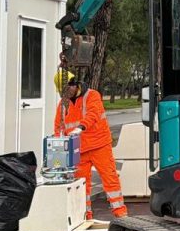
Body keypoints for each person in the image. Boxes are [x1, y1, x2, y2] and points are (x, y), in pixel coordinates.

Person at [54, 78, 128, 220]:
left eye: (67, 89)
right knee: (81, 184)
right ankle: (85, 215)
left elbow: (92, 115)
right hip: (79, 149)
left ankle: (120, 213)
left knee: (109, 177)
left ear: (75, 86)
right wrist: (59, 146)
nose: (65, 94)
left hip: (99, 145)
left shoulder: (92, 95)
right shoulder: (63, 105)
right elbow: (58, 126)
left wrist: (80, 127)